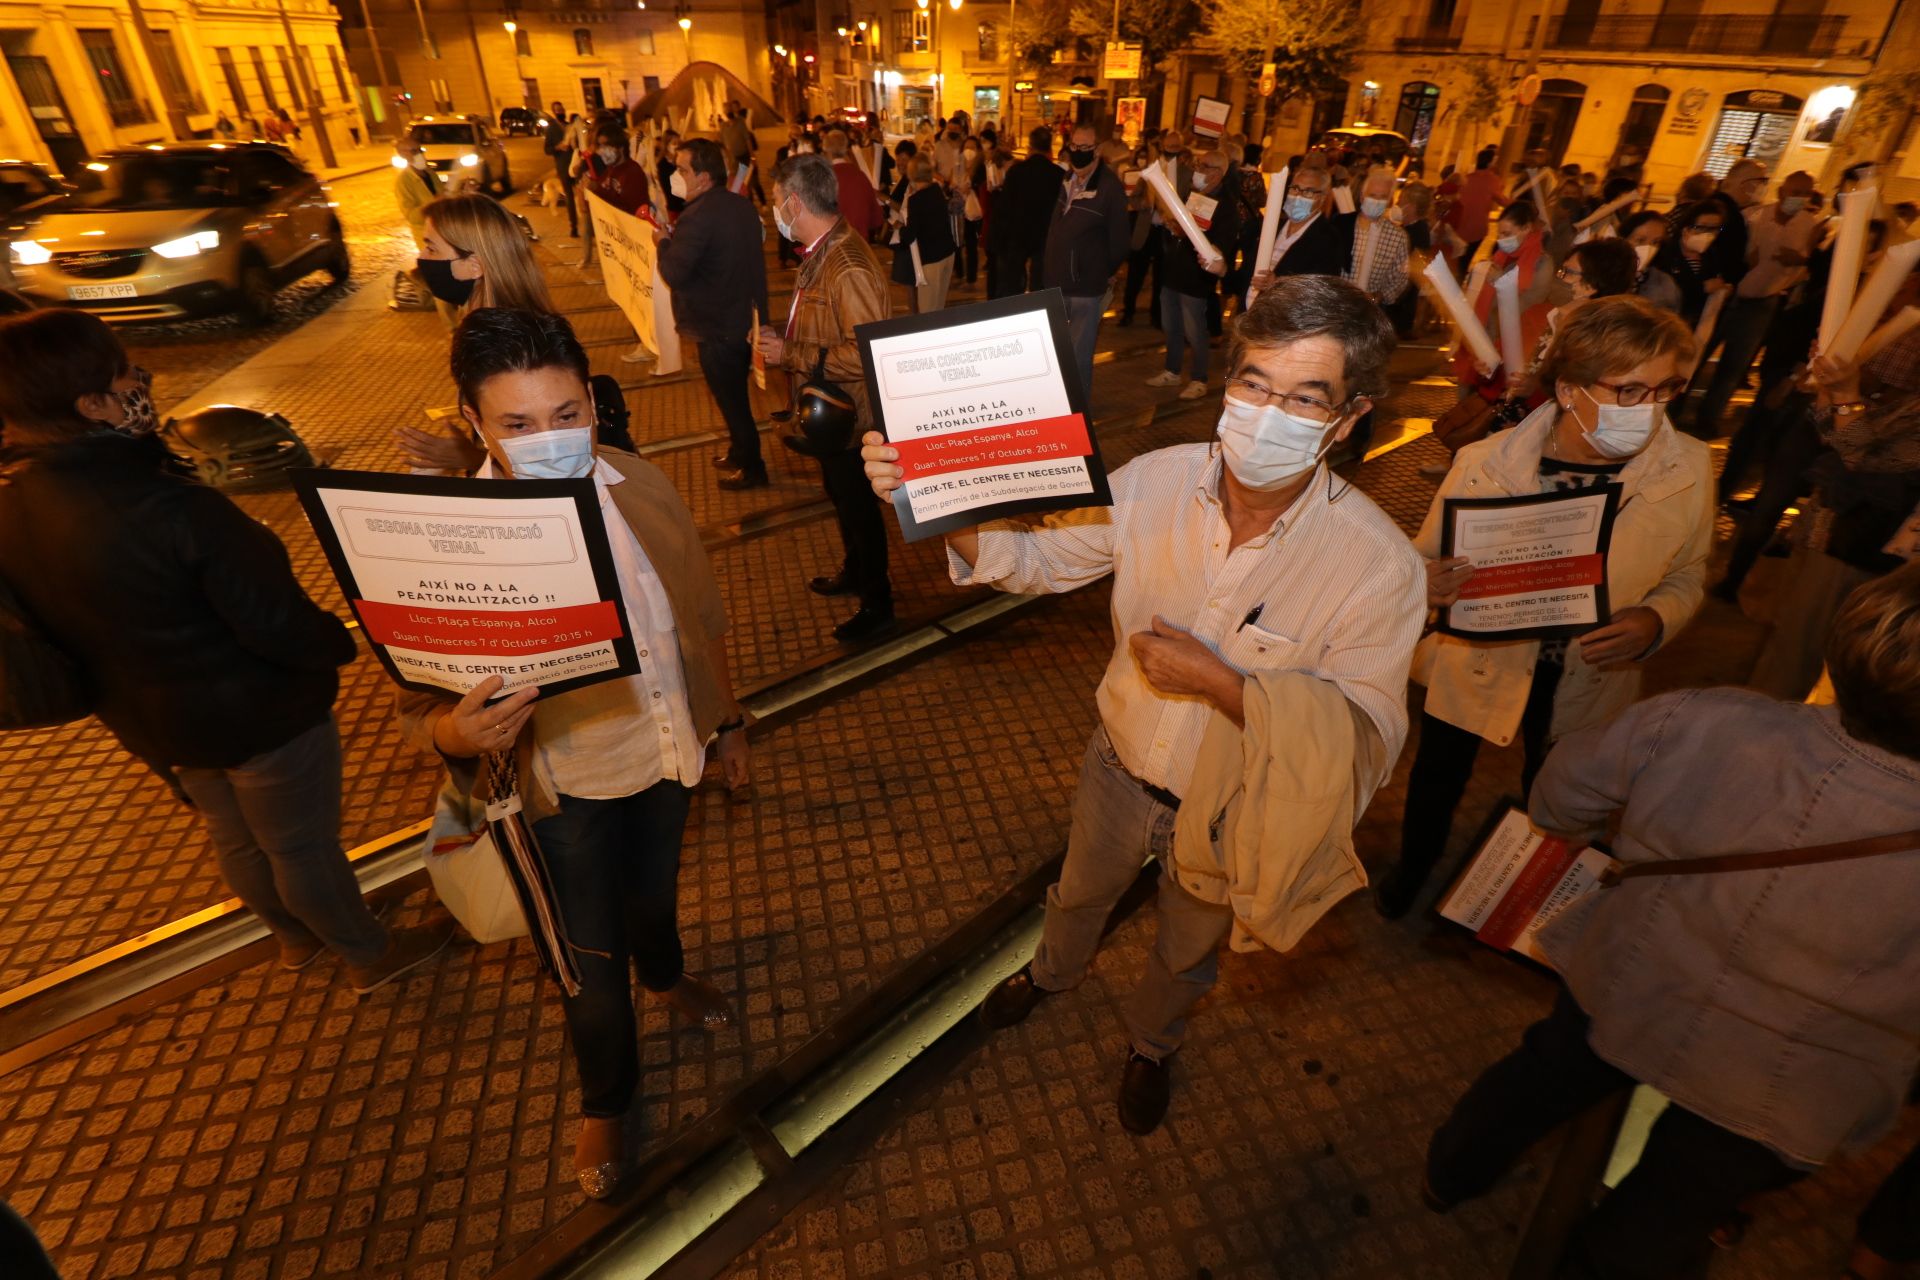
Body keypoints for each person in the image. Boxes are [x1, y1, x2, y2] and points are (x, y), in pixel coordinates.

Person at [859, 276, 1427, 1134]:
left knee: (1186, 948)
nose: (1267, 415)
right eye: (1252, 384)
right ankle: (1052, 972)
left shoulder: (1379, 565)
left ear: (1348, 420)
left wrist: (1224, 684)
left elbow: (1368, 741)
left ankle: (1153, 1043)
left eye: (1305, 399)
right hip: (1117, 769)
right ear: (1226, 383)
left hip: (1228, 808)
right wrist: (928, 495)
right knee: (1079, 890)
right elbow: (1036, 561)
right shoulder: (1152, 483)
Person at [1424, 561, 1920, 1279]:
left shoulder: (1705, 716)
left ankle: (1450, 1176)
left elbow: (1557, 802)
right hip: (1793, 1083)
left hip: (1631, 981)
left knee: (1536, 1082)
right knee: (1673, 1208)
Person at [401, 307, 749, 1201]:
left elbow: (698, 615)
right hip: (558, 795)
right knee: (588, 967)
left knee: (656, 900)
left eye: (565, 415)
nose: (549, 439)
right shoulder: (450, 538)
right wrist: (456, 735)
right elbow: (418, 708)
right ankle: (609, 1097)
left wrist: (730, 720)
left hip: (666, 753)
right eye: (517, 425)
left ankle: (667, 976)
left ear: (592, 400)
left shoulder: (637, 481)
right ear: (473, 424)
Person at [0, 310, 451, 993]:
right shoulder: (174, 507)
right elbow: (276, 624)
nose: (141, 382)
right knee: (300, 844)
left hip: (152, 723)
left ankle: (299, 937)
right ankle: (366, 952)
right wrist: (334, 646)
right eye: (128, 375)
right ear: (91, 405)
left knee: (236, 837)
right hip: (258, 713)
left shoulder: (10, 509)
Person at [1376, 296, 1715, 919]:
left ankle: (1541, 895)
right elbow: (1418, 562)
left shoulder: (1687, 467)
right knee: (1437, 777)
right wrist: (1425, 583)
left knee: (1560, 787)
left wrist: (1656, 619)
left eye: (1668, 388)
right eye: (1629, 390)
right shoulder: (1485, 464)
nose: (1652, 408)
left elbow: (1689, 572)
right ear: (1568, 389)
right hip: (1479, 658)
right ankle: (1415, 867)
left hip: (1589, 668)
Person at [757, 154, 894, 643]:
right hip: (828, 410)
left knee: (858, 506)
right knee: (842, 497)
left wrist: (790, 352)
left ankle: (879, 604)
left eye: (775, 200)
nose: (772, 209)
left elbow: (866, 352)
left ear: (795, 201)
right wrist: (785, 345)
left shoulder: (848, 264)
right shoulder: (822, 249)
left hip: (851, 416)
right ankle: (856, 572)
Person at [1748, 342, 1920, 698]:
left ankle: (1762, 740)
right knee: (1790, 644)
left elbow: (1863, 457)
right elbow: (1838, 436)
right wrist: (1830, 387)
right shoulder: (1912, 403)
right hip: (1840, 539)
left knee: (1799, 657)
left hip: (1864, 553)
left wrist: (1844, 393)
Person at [657, 138, 772, 491]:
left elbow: (674, 273)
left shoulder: (697, 217)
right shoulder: (741, 206)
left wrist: (662, 242)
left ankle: (753, 468)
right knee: (736, 397)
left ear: (704, 176)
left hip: (717, 329)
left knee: (733, 403)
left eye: (682, 169)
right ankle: (738, 453)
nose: (676, 176)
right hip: (743, 321)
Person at [1683, 170, 1820, 439]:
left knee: (1735, 365)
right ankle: (1674, 405)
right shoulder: (1756, 215)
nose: (1800, 197)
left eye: (1806, 192)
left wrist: (1801, 261)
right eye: (1796, 191)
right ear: (1782, 192)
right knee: (1696, 353)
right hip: (1728, 296)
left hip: (1763, 301)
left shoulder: (1810, 225)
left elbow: (1813, 263)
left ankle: (1707, 419)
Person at [1043, 123, 1131, 397]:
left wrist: (1103, 270)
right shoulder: (1067, 178)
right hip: (1056, 283)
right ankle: (1059, 406)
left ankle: (1078, 415)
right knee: (1055, 355)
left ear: (1097, 150)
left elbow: (1120, 240)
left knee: (1079, 358)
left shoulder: (1109, 187)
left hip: (1085, 286)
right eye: (1075, 146)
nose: (1078, 152)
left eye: (1085, 147)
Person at [1146, 146, 1237, 402]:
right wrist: (1171, 226)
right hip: (1174, 271)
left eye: (1205, 166)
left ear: (1218, 173)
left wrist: (1189, 234)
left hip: (1196, 279)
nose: (1198, 170)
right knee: (1171, 326)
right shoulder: (1193, 195)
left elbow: (1221, 244)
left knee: (1195, 331)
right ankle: (1172, 370)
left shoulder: (1226, 206)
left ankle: (1199, 379)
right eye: (1198, 164)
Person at [990, 127, 1066, 296]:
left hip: (1017, 235)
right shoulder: (1059, 174)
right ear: (1050, 148)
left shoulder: (1017, 172)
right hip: (1046, 237)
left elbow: (1004, 207)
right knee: (1040, 286)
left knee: (1012, 286)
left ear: (1030, 147)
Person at [1249, 166, 1351, 284]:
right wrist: (1224, 269)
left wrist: (1277, 283)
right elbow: (1246, 275)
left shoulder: (1328, 238)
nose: (1298, 196)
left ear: (1322, 198)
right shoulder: (1271, 227)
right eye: (1295, 188)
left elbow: (1322, 286)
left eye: (1308, 192)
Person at [1650, 200, 1734, 325]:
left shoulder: (1712, 255)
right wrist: (1701, 288)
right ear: (1686, 228)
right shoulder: (1664, 253)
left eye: (1714, 229)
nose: (1707, 234)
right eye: (1701, 227)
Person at [1344, 168, 1410, 309]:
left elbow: (1400, 278)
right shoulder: (1343, 225)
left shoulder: (1397, 237)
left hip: (1369, 308)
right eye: (1372, 195)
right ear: (1362, 197)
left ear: (1390, 201)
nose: (1376, 201)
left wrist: (1379, 296)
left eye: (1383, 197)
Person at [899, 155, 957, 314]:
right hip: (947, 253)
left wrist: (900, 229)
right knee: (939, 306)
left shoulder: (916, 200)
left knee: (927, 310)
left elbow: (910, 235)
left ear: (911, 175)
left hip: (932, 259)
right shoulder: (936, 190)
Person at [822, 128, 884, 243]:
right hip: (859, 246)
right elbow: (877, 219)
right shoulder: (860, 176)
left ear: (826, 152)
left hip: (832, 247)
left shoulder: (823, 179)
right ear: (846, 149)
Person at [1445, 146, 1504, 264]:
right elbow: (1502, 200)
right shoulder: (1493, 181)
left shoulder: (1466, 178)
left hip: (1458, 226)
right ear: (1491, 162)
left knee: (1451, 260)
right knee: (1465, 262)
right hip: (1477, 228)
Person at [1622, 210, 1683, 313]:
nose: (1648, 248)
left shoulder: (1664, 284)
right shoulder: (1605, 275)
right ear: (1623, 239)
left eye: (1655, 242)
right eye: (1640, 240)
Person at [584, 122, 651, 216]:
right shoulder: (610, 169)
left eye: (606, 145)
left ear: (620, 147)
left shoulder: (633, 173)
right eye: (600, 146)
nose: (601, 150)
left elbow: (636, 214)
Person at [542, 101, 579, 237]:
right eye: (557, 110)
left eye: (561, 109)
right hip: (563, 166)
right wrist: (558, 147)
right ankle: (573, 226)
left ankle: (589, 226)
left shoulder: (569, 126)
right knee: (569, 196)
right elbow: (547, 149)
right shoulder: (551, 129)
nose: (560, 112)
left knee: (581, 194)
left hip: (575, 165)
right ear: (554, 112)